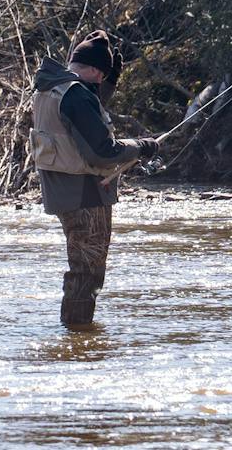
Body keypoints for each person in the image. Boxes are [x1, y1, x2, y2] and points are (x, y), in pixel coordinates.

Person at [29, 31, 159, 329]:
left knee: (84, 266)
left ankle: (77, 336)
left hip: (64, 193)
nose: (101, 85)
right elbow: (102, 152)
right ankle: (76, 332)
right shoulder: (75, 95)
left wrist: (110, 80)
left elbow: (85, 111)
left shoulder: (50, 88)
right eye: (102, 77)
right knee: (87, 269)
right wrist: (141, 147)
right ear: (95, 70)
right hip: (85, 193)